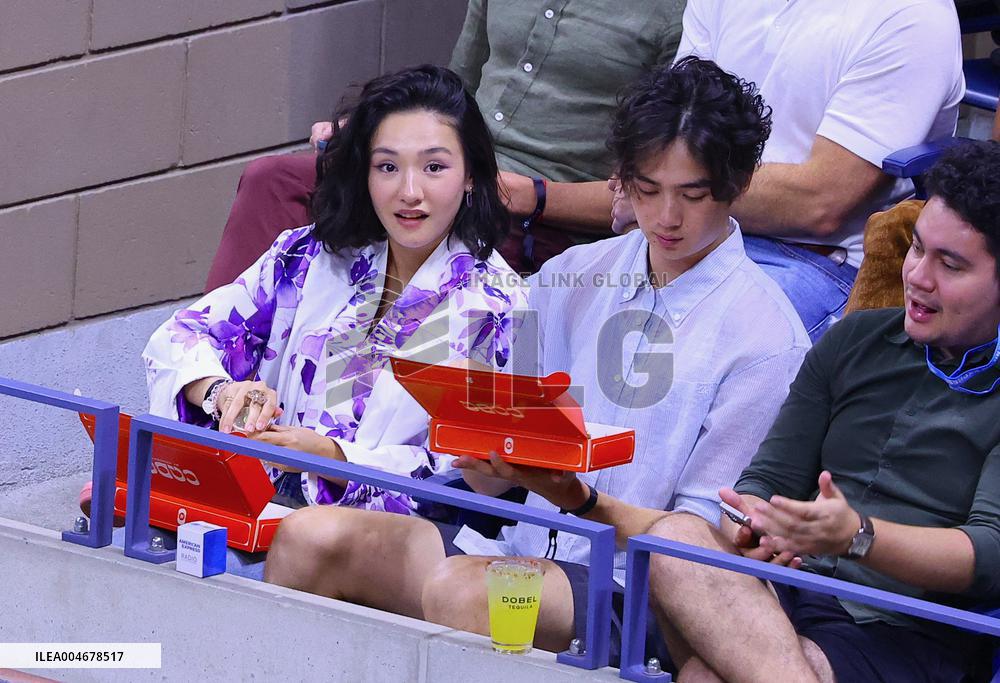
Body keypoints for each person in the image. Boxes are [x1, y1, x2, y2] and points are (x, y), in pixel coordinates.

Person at [263, 57, 810, 659]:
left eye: (693, 194)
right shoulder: (570, 276)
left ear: (735, 185)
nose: (667, 217)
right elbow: (484, 477)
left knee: (471, 592)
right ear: (622, 180)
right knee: (309, 537)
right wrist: (480, 443)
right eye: (647, 190)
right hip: (515, 547)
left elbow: (704, 548)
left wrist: (574, 496)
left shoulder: (766, 339)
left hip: (641, 593)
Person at [646, 140, 1000, 682]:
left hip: (911, 629)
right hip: (792, 591)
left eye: (950, 265)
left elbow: (987, 554)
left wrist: (858, 535)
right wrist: (756, 524)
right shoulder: (855, 341)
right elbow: (764, 480)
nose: (918, 277)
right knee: (675, 538)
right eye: (916, 249)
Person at [142, 65, 528, 518]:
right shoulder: (306, 255)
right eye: (387, 166)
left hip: (369, 544)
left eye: (434, 167)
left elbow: (458, 475)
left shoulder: (499, 304)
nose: (409, 192)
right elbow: (178, 336)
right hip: (251, 502)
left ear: (471, 177)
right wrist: (223, 394)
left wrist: (335, 459)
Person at [203, 0, 686, 289]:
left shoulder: (676, 13)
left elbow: (652, 194)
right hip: (454, 166)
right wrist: (379, 128)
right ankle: (209, 390)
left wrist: (534, 195)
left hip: (536, 217)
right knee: (275, 181)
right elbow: (452, 96)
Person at [611, 0, 965, 341]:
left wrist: (659, 194)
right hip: (696, 231)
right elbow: (671, 138)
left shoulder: (914, 14)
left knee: (679, 348)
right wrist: (660, 195)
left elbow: (819, 204)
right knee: (578, 302)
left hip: (813, 260)